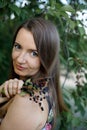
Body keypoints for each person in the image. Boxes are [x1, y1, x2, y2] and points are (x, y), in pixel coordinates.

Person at [0, 17, 67, 130]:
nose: (20, 59)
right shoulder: (45, 88)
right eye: (18, 47)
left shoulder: (26, 100)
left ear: (47, 57)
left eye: (34, 53)